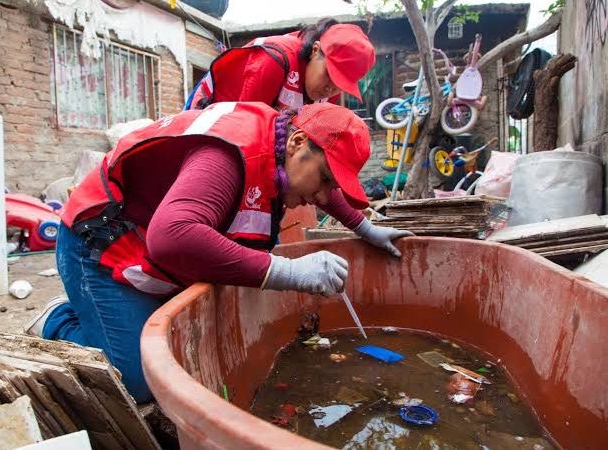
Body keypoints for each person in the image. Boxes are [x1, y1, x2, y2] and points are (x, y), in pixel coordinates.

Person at [25, 102, 411, 403]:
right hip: (100, 242)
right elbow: (172, 237)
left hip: (146, 237)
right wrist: (290, 271)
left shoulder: (283, 145)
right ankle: (59, 319)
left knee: (187, 342)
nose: (325, 194)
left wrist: (365, 228)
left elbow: (320, 189)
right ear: (296, 144)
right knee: (137, 379)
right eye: (327, 178)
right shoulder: (228, 156)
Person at [186, 19, 375, 111]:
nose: (331, 89)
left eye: (341, 85)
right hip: (211, 104)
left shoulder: (329, 91)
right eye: (331, 75)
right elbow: (245, 127)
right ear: (315, 50)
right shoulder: (274, 60)